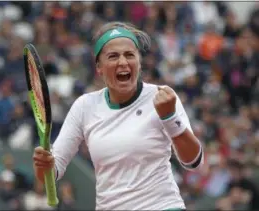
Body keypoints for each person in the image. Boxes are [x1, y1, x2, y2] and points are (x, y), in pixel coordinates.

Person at [33, 21, 204, 210]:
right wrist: (43, 165)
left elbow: (193, 161)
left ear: (139, 62)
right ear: (99, 67)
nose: (123, 62)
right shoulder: (84, 106)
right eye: (113, 56)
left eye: (129, 54)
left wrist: (170, 118)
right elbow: (50, 172)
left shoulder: (163, 96)